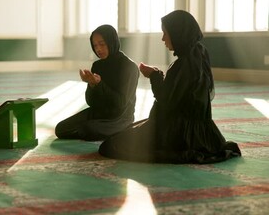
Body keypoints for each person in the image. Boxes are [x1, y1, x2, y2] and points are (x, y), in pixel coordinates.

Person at [99, 10, 241, 163]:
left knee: (111, 145)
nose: (163, 38)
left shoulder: (183, 64)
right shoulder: (199, 54)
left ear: (177, 33)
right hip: (201, 131)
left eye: (165, 33)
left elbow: (166, 100)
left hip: (178, 134)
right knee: (128, 130)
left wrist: (154, 76)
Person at [55, 24, 139, 141]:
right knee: (61, 129)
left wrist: (100, 84)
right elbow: (90, 102)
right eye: (95, 45)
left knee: (89, 129)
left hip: (120, 117)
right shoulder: (97, 65)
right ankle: (88, 131)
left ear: (111, 42)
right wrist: (92, 85)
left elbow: (120, 103)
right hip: (100, 113)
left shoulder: (129, 67)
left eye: (102, 44)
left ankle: (97, 131)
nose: (98, 49)